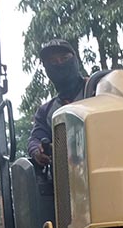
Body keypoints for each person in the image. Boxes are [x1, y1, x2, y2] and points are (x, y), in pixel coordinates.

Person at [27, 39, 88, 178]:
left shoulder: (97, 90)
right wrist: (38, 151)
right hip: (68, 180)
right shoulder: (46, 112)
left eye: (64, 58)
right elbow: (35, 139)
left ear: (75, 60)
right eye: (53, 62)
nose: (60, 63)